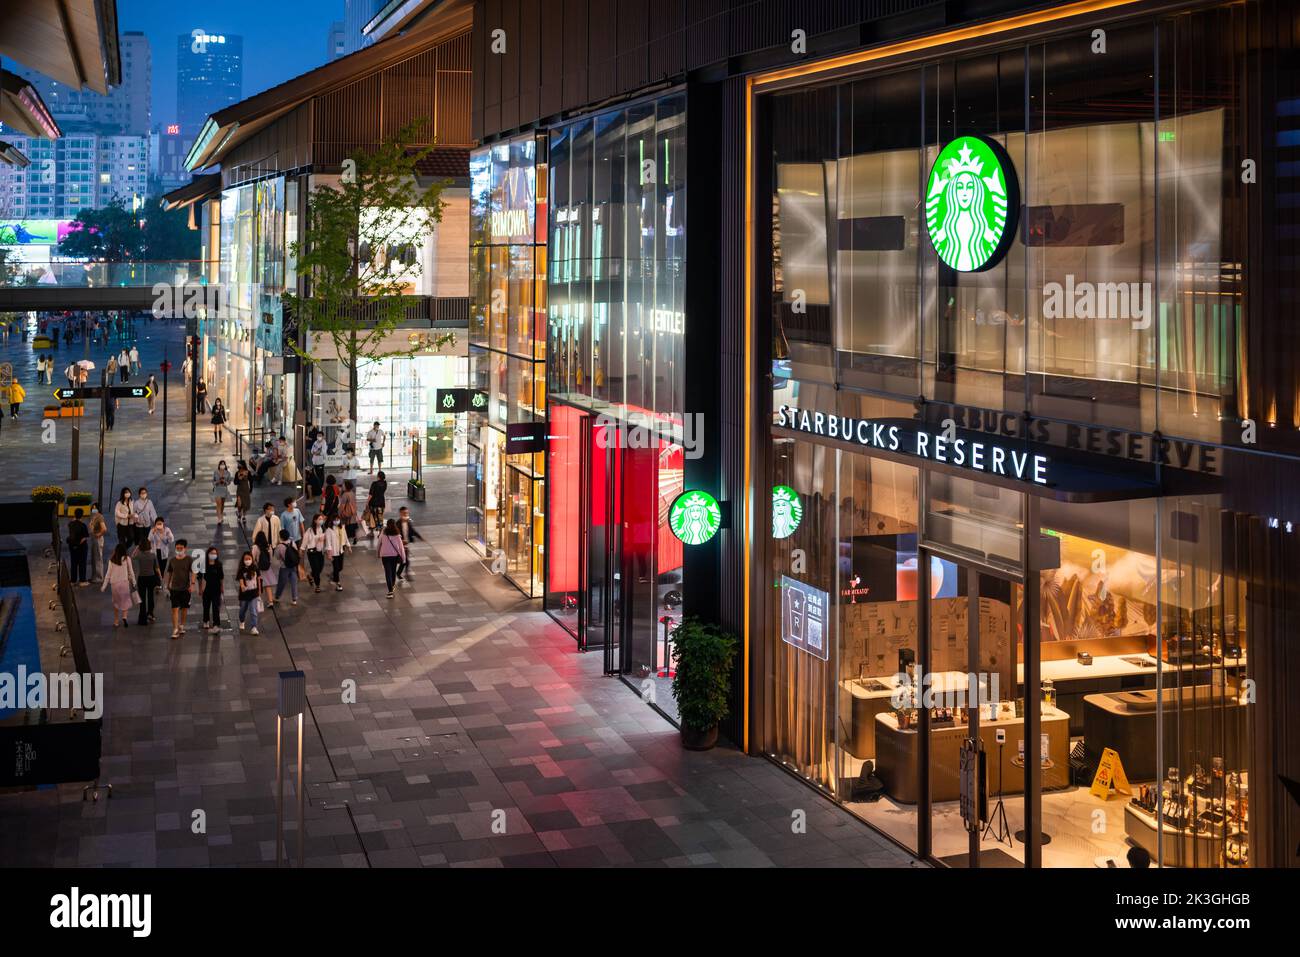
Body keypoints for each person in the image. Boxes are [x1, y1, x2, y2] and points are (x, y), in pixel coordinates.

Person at [101, 543, 137, 629]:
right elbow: (131, 572)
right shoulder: (127, 559)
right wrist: (134, 582)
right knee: (125, 601)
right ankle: (124, 617)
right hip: (124, 583)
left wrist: (104, 586)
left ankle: (116, 621)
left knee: (116, 603)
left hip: (114, 584)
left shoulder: (112, 560)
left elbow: (108, 574)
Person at [165, 539, 196, 639]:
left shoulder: (189, 559)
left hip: (185, 589)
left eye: (181, 548)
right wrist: (167, 584)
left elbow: (194, 572)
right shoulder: (172, 560)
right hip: (174, 588)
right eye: (177, 548)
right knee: (174, 609)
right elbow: (169, 572)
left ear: (185, 549)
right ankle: (175, 629)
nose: (179, 550)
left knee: (184, 608)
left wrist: (192, 584)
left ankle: (182, 625)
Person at [377, 519, 407, 599]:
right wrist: (403, 559)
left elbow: (379, 544)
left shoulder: (383, 533)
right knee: (393, 571)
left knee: (387, 572)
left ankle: (390, 590)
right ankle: (392, 585)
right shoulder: (397, 535)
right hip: (394, 556)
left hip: (385, 556)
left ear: (387, 524)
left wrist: (378, 553)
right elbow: (401, 548)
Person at [133, 542, 159, 625]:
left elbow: (132, 556)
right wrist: (160, 577)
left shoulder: (139, 556)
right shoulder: (153, 555)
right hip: (151, 577)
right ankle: (150, 613)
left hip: (142, 578)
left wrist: (137, 548)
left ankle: (142, 618)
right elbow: (157, 567)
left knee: (142, 598)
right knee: (150, 596)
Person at [236, 552, 261, 635]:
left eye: (249, 559)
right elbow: (241, 580)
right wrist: (242, 586)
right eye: (246, 559)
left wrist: (259, 590)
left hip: (253, 593)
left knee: (253, 610)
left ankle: (254, 627)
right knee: (242, 610)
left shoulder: (255, 568)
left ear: (252, 559)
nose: (248, 560)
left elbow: (258, 579)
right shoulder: (241, 570)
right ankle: (242, 621)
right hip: (244, 594)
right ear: (243, 560)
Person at [200, 547, 224, 632]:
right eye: (211, 553)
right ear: (208, 554)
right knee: (206, 606)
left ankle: (216, 624)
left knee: (215, 607)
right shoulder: (204, 564)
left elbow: (221, 577)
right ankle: (206, 620)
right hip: (206, 589)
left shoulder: (219, 564)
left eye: (215, 553)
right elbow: (200, 578)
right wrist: (200, 589)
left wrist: (222, 587)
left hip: (216, 589)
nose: (213, 555)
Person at [302, 514, 327, 593]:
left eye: (322, 519)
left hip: (320, 552)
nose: (321, 520)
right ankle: (317, 585)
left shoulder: (323, 529)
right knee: (316, 569)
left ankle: (310, 575)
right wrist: (302, 549)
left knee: (320, 567)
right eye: (319, 519)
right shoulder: (310, 530)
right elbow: (305, 540)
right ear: (315, 520)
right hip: (312, 552)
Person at [273, 530, 299, 606]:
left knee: (282, 582)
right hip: (293, 565)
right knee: (294, 582)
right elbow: (296, 551)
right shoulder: (292, 542)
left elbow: (277, 557)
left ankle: (277, 597)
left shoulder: (280, 546)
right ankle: (294, 599)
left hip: (284, 567)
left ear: (280, 537)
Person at [394, 505, 420, 583]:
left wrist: (420, 537)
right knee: (405, 561)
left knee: (404, 561)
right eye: (404, 513)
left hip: (405, 545)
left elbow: (413, 531)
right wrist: (401, 541)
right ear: (400, 513)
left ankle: (398, 573)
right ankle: (406, 574)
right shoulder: (397, 524)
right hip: (400, 545)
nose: (406, 514)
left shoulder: (408, 522)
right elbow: (395, 536)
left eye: (407, 513)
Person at [325, 516, 350, 591]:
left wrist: (349, 546)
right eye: (335, 519)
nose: (337, 521)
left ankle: (333, 576)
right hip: (333, 552)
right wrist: (329, 553)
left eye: (338, 519)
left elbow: (345, 537)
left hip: (341, 550)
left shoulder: (342, 527)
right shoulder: (329, 530)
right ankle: (338, 583)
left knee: (340, 567)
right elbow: (328, 542)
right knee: (336, 567)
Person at [66, 513, 90, 586]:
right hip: (81, 548)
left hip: (72, 547)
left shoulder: (70, 524)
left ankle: (73, 581)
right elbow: (85, 537)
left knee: (74, 563)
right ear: (82, 516)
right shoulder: (83, 525)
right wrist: (79, 543)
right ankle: (82, 580)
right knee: (82, 563)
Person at [87, 503, 109, 582]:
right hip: (93, 538)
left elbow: (104, 529)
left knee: (98, 558)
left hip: (97, 539)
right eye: (93, 508)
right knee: (94, 558)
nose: (94, 510)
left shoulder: (99, 517)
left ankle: (99, 577)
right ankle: (94, 576)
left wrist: (98, 535)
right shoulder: (93, 517)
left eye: (95, 508)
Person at [366, 471, 388, 535]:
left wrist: (367, 502)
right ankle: (380, 533)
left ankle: (372, 532)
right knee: (380, 518)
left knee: (372, 518)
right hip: (381, 503)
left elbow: (371, 494)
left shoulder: (374, 483)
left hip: (374, 503)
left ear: (378, 476)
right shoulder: (385, 483)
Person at [308, 431, 327, 501]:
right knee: (316, 475)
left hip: (321, 462)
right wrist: (315, 452)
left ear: (323, 436)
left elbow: (323, 452)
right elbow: (312, 451)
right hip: (315, 461)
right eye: (318, 435)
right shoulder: (315, 442)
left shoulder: (324, 443)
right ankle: (318, 488)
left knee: (320, 475)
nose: (319, 437)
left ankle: (321, 489)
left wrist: (317, 453)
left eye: (320, 435)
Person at [339, 480, 359, 544]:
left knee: (346, 526)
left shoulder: (345, 494)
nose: (342, 486)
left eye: (343, 485)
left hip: (347, 513)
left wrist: (340, 512)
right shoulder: (352, 493)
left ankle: (345, 540)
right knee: (353, 525)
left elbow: (342, 505)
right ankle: (354, 537)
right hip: (353, 512)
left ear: (346, 486)